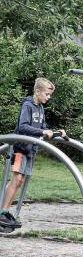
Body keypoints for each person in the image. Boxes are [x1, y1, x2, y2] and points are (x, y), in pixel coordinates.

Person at [0, 78, 66, 229]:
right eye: (47, 94)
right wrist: (42, 131)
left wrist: (56, 132)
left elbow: (43, 128)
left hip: (30, 149)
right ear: (37, 91)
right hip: (19, 148)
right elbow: (22, 127)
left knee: (20, 180)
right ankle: (2, 212)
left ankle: (4, 211)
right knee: (16, 179)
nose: (48, 97)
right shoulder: (28, 106)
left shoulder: (40, 108)